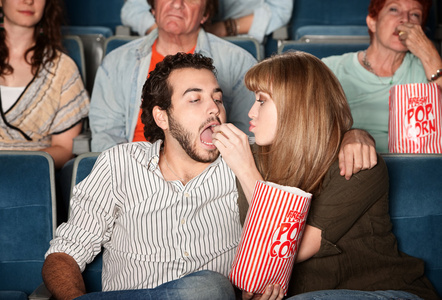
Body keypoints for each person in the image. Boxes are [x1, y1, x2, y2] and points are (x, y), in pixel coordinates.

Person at [43, 52, 377, 300]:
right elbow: (64, 255)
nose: (214, 108)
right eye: (195, 99)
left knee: (208, 288)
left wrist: (355, 133)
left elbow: (307, 137)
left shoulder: (251, 160)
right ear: (162, 116)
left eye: (217, 98)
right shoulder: (120, 163)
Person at [212, 51, 439, 300]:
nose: (251, 113)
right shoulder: (254, 158)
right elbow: (258, 272)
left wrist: (246, 171)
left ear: (296, 105)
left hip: (383, 291)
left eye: (262, 101)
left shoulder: (356, 165)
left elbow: (279, 253)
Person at [89, 0, 257, 152]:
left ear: (205, 14)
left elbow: (247, 135)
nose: (177, 4)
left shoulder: (239, 63)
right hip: (131, 168)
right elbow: (106, 135)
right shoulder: (116, 62)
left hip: (206, 170)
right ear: (153, 8)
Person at [322, 0, 442, 153]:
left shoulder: (428, 69)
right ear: (372, 22)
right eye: (394, 9)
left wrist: (429, 54)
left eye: (415, 14)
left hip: (415, 166)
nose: (405, 19)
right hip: (349, 167)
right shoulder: (331, 68)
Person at [0, 0, 89, 170]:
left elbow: (65, 149)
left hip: (33, 179)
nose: (28, 1)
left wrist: (18, 166)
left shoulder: (63, 69)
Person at [121, 0, 293, 43]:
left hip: (235, 40)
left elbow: (280, 9)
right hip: (168, 41)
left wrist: (222, 29)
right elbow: (132, 10)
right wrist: (171, 31)